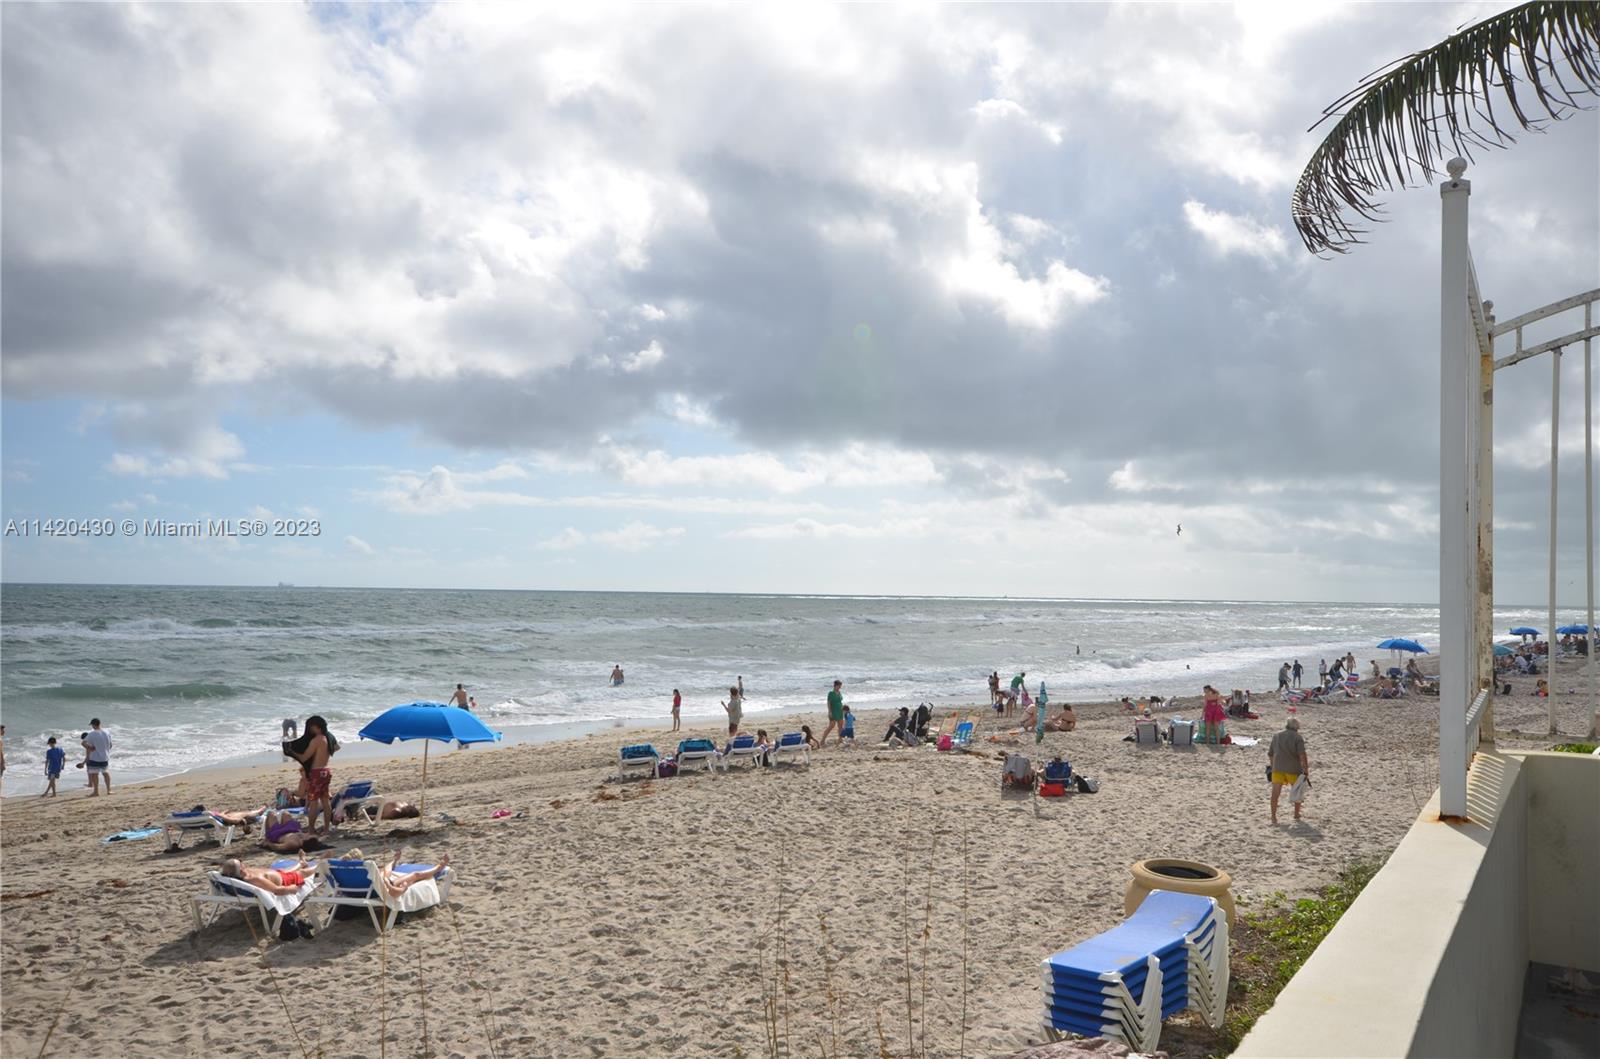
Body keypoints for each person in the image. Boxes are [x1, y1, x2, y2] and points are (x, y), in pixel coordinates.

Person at [289, 715, 336, 835]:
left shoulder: (317, 740)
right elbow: (336, 748)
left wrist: (291, 751)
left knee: (313, 802)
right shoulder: (328, 738)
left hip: (316, 773)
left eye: (311, 727)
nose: (310, 730)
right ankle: (326, 829)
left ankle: (311, 829)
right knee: (325, 801)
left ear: (316, 727)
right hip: (326, 771)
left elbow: (304, 757)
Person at [1268, 718, 1310, 824]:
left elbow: (1270, 753)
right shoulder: (1297, 737)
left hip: (1278, 768)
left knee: (1275, 794)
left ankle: (1273, 816)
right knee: (1297, 791)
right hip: (1293, 769)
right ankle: (1296, 814)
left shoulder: (1277, 735)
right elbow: (1302, 755)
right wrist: (1305, 768)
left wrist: (1273, 766)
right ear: (1296, 727)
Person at [221, 854, 314, 894]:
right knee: (302, 872)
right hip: (286, 881)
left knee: (287, 870)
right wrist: (293, 888)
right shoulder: (254, 879)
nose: (242, 862)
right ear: (241, 869)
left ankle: (301, 863)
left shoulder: (246, 873)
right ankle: (320, 865)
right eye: (240, 862)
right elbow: (277, 890)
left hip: (279, 874)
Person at [81, 718, 111, 796]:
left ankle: (96, 792)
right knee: (106, 773)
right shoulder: (106, 732)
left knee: (95, 775)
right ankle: (109, 790)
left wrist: (90, 748)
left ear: (93, 725)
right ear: (100, 723)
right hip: (104, 757)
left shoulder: (92, 733)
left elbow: (83, 743)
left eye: (92, 725)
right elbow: (110, 745)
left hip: (94, 758)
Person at [819, 680, 846, 747]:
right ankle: (822, 740)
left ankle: (840, 740)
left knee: (840, 727)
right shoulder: (831, 693)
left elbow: (840, 702)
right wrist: (829, 711)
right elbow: (829, 703)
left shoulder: (839, 692)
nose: (840, 687)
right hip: (833, 711)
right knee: (831, 726)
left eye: (840, 686)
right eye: (839, 686)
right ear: (835, 685)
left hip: (840, 711)